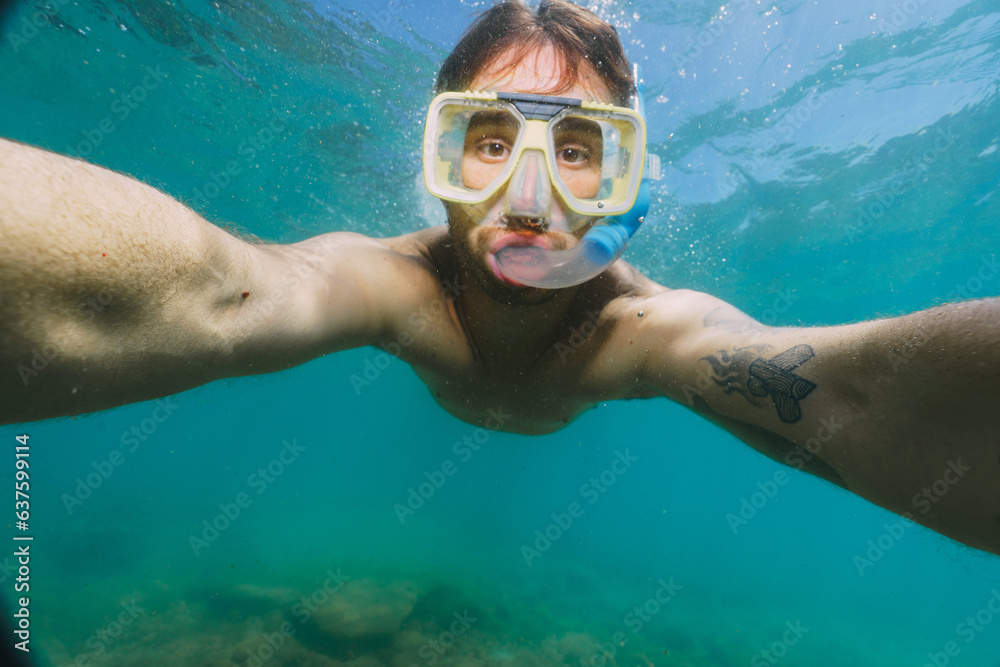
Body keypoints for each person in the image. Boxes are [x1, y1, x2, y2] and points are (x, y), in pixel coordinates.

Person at [1, 0, 997, 556]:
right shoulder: (393, 286)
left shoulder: (641, 332)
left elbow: (857, 392)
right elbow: (220, 291)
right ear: (434, 161)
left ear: (626, 183)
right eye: (485, 141)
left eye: (577, 150)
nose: (530, 202)